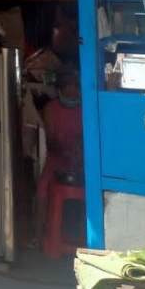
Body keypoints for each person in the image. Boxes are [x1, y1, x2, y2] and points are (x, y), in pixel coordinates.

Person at [35, 68, 84, 242]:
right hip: (55, 162)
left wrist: (79, 149)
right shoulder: (51, 108)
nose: (71, 93)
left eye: (76, 88)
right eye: (67, 88)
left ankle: (80, 236)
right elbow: (50, 140)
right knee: (42, 192)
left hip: (81, 164)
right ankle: (40, 234)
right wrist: (64, 151)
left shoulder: (86, 108)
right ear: (59, 89)